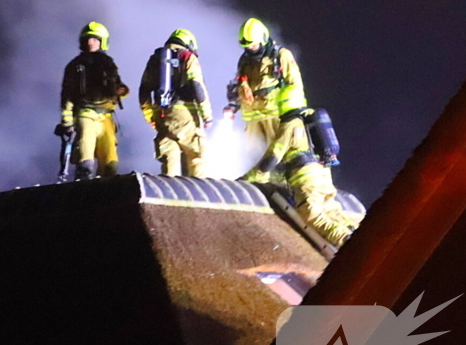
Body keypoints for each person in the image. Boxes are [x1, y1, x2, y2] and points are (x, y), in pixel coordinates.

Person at [241, 109, 357, 247]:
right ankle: (352, 229)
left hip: (307, 179)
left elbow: (271, 159)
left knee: (311, 216)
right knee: (331, 211)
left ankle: (345, 240)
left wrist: (247, 179)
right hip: (324, 176)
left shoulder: (291, 123)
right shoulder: (310, 117)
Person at [229, 17, 306, 184]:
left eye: (253, 45)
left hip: (273, 113)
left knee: (275, 154)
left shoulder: (281, 56)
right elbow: (240, 82)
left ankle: (280, 185)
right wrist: (234, 102)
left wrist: (295, 113)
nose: (250, 49)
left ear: (263, 39)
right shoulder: (245, 60)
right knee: (254, 155)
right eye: (247, 46)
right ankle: (260, 185)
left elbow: (295, 83)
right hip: (252, 117)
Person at [58, 22, 129, 181]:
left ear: (102, 41)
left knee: (110, 162)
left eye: (95, 39)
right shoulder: (75, 66)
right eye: (88, 39)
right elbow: (67, 96)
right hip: (85, 114)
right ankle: (83, 189)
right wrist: (67, 122)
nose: (90, 42)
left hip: (106, 118)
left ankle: (106, 193)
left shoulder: (109, 64)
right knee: (85, 158)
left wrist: (121, 91)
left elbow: (116, 87)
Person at [138, 28, 213, 177]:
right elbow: (197, 87)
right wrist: (207, 115)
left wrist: (151, 117)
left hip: (162, 116)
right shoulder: (187, 57)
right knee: (197, 159)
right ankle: (197, 196)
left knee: (169, 160)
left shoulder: (155, 60)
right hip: (186, 118)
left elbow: (144, 91)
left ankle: (168, 196)